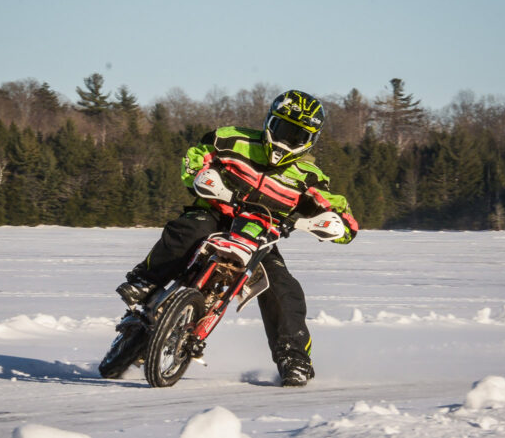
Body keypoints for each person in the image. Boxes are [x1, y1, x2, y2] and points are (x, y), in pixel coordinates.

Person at [116, 89, 359, 386]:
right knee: (189, 229)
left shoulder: (309, 177)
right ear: (270, 122)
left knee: (284, 288)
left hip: (261, 235)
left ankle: (293, 358)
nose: (286, 140)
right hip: (216, 214)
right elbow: (196, 158)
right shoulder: (230, 139)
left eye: (297, 136)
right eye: (283, 129)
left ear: (310, 141)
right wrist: (200, 175)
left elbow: (342, 215)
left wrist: (329, 224)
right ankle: (146, 281)